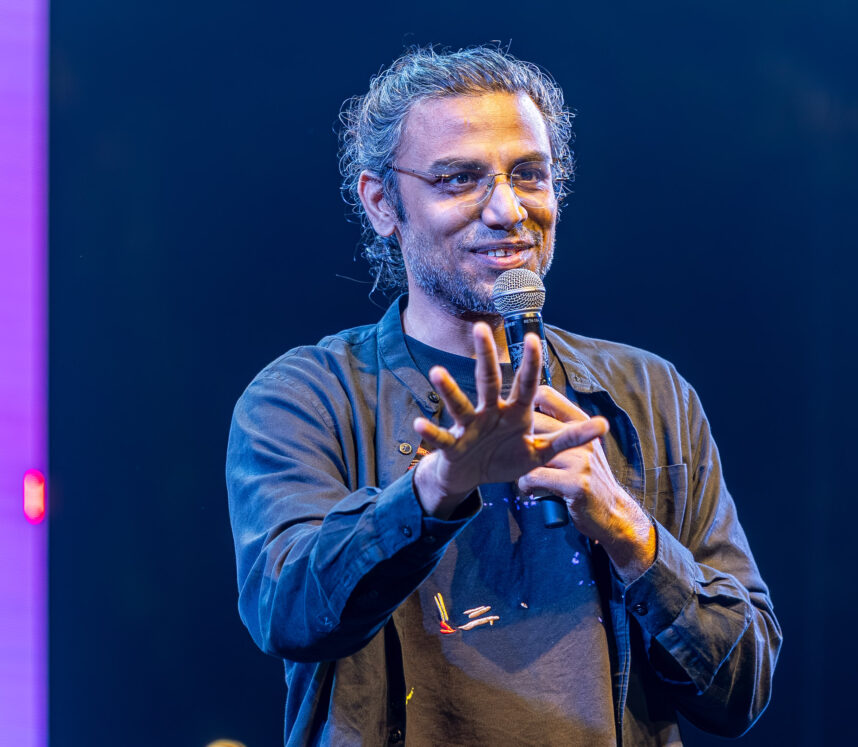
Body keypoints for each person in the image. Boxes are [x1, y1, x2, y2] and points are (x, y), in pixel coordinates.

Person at [226, 45, 781, 746]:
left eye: (529, 174)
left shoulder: (648, 393)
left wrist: (629, 531)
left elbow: (741, 688)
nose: (506, 209)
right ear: (382, 202)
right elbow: (289, 612)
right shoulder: (305, 397)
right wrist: (434, 489)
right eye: (459, 179)